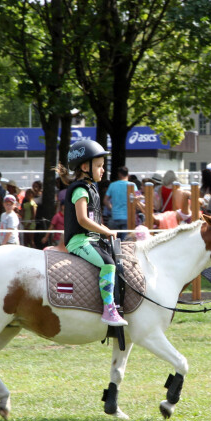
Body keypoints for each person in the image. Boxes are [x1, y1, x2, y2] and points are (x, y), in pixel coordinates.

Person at [59, 139, 126, 326]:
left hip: (90, 240)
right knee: (108, 264)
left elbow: (95, 219)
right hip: (79, 241)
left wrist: (103, 231)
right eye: (99, 166)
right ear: (85, 166)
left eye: (102, 166)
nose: (102, 170)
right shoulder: (80, 190)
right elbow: (82, 220)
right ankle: (108, 309)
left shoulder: (92, 189)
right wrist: (107, 231)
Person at [104, 166, 138, 239]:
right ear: (128, 174)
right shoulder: (133, 185)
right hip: (128, 218)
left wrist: (111, 208)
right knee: (125, 242)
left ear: (119, 174)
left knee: (114, 242)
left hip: (115, 216)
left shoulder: (112, 185)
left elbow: (105, 200)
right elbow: (137, 200)